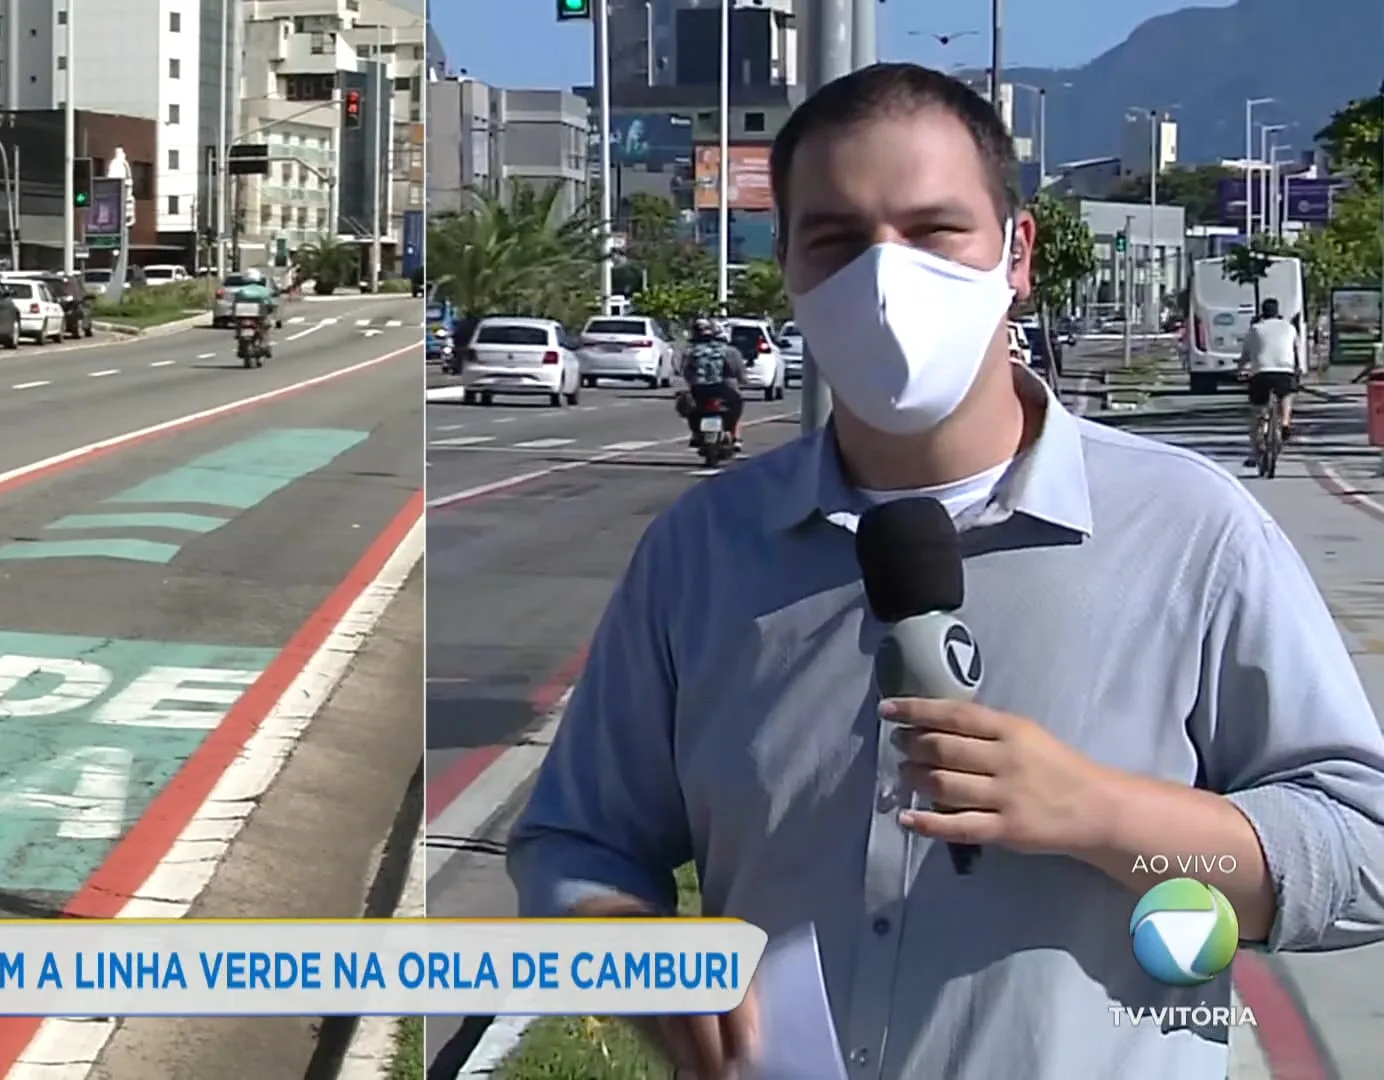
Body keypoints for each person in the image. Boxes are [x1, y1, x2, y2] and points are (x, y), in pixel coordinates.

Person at [508, 62, 1384, 1080]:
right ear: (786, 264)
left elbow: (1361, 854)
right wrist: (632, 949)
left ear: (1017, 255)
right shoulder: (700, 551)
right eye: (835, 242)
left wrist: (1103, 815)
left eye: (934, 233)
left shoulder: (1193, 532)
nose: (885, 280)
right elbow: (575, 839)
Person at [1237, 297, 1299, 463]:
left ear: (1262, 312)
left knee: (1257, 410)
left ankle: (1259, 442)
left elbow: (1245, 355)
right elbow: (1295, 349)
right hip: (1285, 370)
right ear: (1277, 311)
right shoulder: (1289, 327)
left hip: (1261, 372)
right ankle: (1285, 422)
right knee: (1287, 394)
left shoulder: (1255, 329)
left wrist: (1240, 369)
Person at [677, 316, 746, 444]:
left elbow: (681, 368)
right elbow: (738, 370)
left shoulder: (690, 351)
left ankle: (696, 434)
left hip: (699, 390)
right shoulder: (727, 350)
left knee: (689, 406)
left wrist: (690, 381)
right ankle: (735, 436)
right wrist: (742, 380)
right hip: (722, 389)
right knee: (737, 404)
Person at [231, 267, 277, 354]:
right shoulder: (264, 291)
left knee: (238, 325)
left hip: (243, 315)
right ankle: (265, 344)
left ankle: (240, 338)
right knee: (267, 327)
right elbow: (270, 303)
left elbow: (235, 303)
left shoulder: (241, 290)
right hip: (259, 316)